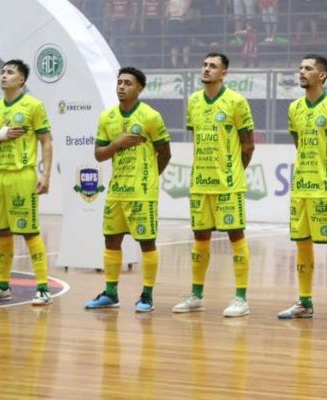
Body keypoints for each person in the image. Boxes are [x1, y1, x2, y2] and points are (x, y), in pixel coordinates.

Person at [172, 53, 256, 316]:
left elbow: (248, 144)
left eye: (213, 66)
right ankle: (196, 295)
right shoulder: (194, 101)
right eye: (205, 65)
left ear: (224, 73)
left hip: (228, 184)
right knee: (200, 238)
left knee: (235, 236)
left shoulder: (236, 102)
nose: (207, 69)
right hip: (200, 183)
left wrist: (234, 172)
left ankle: (241, 298)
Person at [84, 67, 172, 313]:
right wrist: (117, 143)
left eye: (128, 83)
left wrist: (149, 179)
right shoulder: (107, 117)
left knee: (146, 242)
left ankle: (147, 295)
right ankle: (111, 294)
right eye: (119, 82)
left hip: (141, 192)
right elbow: (99, 154)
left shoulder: (150, 116)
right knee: (111, 240)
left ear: (140, 88)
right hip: (116, 191)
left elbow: (165, 153)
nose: (121, 87)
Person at [277, 54, 327, 323]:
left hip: (326, 190)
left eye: (308, 68)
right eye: (300, 68)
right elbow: (298, 142)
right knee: (302, 244)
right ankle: (304, 302)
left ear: (321, 75)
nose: (302, 72)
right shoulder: (294, 108)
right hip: (300, 188)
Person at [0, 60, 55, 305]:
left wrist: (46, 175)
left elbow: (46, 141)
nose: (4, 76)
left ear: (21, 80)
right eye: (2, 72)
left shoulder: (33, 105)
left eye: (10, 73)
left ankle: (43, 288)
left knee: (29, 231)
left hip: (22, 175)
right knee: (2, 232)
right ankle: (2, 286)